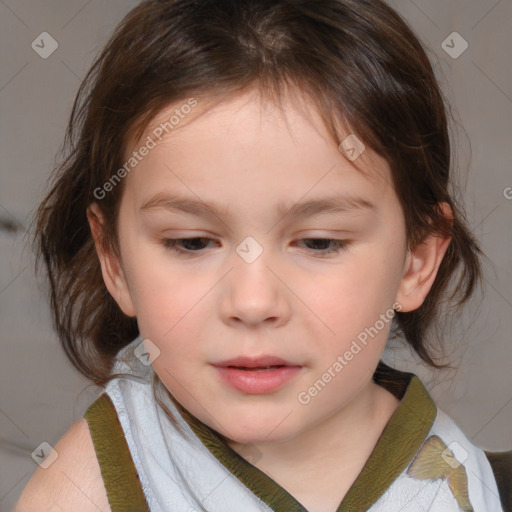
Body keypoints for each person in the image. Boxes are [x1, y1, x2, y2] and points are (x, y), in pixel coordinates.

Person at [15, 0, 510, 511]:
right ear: (113, 258)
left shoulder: (473, 484)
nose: (252, 303)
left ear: (416, 259)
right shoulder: (82, 495)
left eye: (319, 242)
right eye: (192, 242)